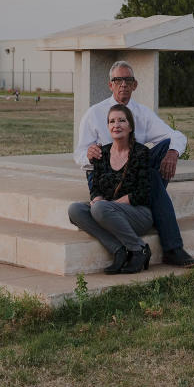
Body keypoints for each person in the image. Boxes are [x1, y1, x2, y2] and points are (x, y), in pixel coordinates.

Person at [73, 60, 194, 267]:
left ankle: (170, 248)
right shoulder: (94, 113)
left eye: (128, 80)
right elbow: (79, 153)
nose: (123, 84)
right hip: (104, 174)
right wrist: (88, 153)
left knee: (164, 148)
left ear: (135, 85)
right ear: (110, 85)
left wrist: (173, 153)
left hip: (135, 174)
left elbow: (175, 136)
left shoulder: (143, 113)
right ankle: (167, 248)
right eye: (118, 80)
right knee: (151, 180)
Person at [68, 104, 153, 274]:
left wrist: (109, 206)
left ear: (130, 126)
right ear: (108, 127)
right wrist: (97, 199)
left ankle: (139, 249)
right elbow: (96, 187)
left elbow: (143, 193)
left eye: (122, 120)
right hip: (107, 212)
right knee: (75, 209)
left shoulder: (141, 153)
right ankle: (118, 249)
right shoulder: (102, 153)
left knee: (100, 208)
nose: (117, 125)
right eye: (112, 121)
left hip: (138, 214)